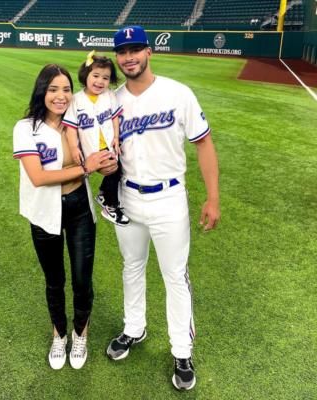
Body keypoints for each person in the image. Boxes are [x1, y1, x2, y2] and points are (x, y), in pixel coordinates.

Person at [106, 26, 220, 391]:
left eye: (135, 49)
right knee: (131, 267)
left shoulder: (177, 93)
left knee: (175, 277)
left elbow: (204, 144)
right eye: (123, 51)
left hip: (170, 199)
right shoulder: (111, 100)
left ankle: (182, 351)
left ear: (149, 51)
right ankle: (133, 329)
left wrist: (213, 196)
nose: (129, 57)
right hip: (128, 197)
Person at [13, 64, 116, 370]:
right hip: (44, 213)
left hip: (80, 210)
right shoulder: (25, 127)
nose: (61, 96)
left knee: (83, 281)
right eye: (53, 89)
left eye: (67, 89)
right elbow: (38, 177)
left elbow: (104, 155)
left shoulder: (81, 124)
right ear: (42, 91)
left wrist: (108, 163)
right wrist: (88, 167)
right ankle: (59, 334)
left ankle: (80, 334)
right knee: (55, 281)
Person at [63, 50, 129, 227]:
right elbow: (70, 127)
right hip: (89, 147)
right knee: (114, 170)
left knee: (118, 168)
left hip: (108, 143)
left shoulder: (110, 95)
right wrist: (74, 148)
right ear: (86, 75)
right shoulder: (75, 100)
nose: (100, 81)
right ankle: (110, 204)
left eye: (106, 78)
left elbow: (115, 117)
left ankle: (105, 198)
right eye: (96, 75)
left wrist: (116, 137)